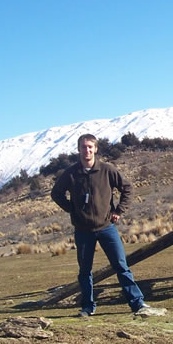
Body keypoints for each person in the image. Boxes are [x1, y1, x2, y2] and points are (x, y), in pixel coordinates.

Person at [51, 133, 158, 317]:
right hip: (83, 230)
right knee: (85, 272)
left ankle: (137, 303)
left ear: (96, 149)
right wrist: (72, 209)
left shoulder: (107, 170)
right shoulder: (71, 174)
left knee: (121, 265)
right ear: (78, 149)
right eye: (84, 147)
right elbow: (56, 194)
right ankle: (87, 307)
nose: (87, 150)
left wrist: (118, 211)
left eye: (90, 147)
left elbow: (127, 188)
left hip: (107, 227)